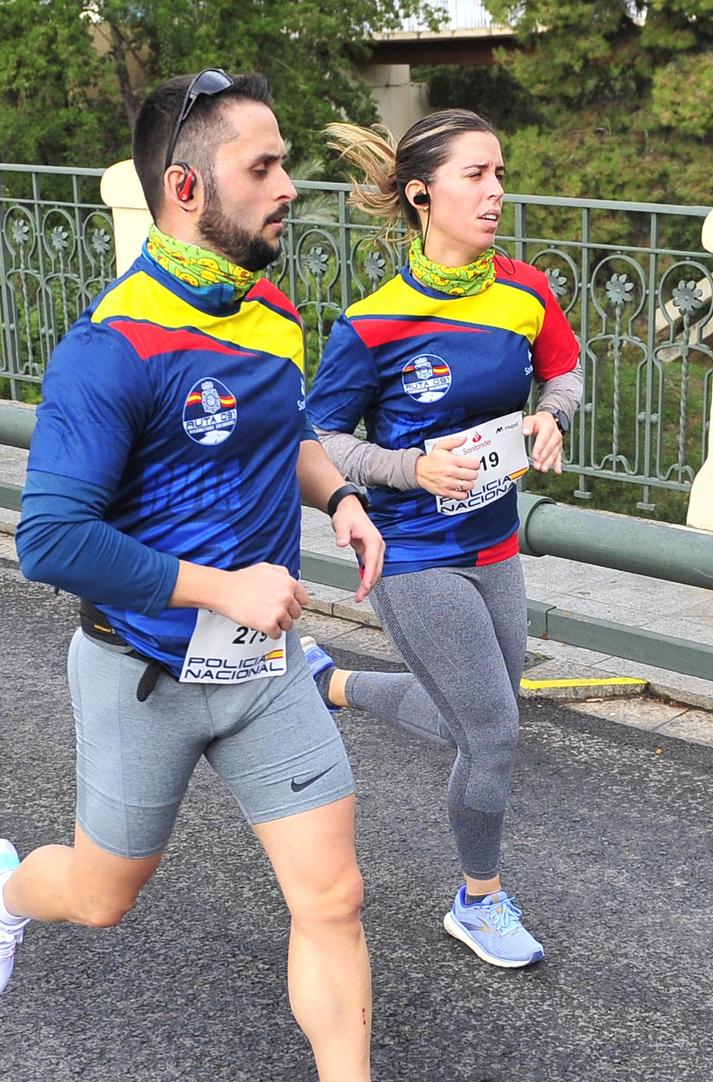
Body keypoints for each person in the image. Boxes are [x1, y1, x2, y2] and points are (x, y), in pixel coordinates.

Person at [0, 70, 484, 1082]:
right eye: (265, 168)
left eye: (285, 161)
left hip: (262, 674)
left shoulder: (268, 311)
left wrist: (336, 493)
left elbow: (277, 427)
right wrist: (219, 586)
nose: (290, 187)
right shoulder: (110, 348)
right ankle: (0, 891)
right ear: (186, 187)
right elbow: (47, 538)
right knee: (100, 897)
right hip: (141, 672)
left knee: (331, 893)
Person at [304, 110, 584, 969]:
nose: (497, 192)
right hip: (410, 551)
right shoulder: (376, 322)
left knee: (483, 716)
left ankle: (335, 683)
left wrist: (550, 415)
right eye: (477, 175)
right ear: (423, 193)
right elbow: (314, 434)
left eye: (500, 173)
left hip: (496, 541)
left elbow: (566, 367)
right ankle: (479, 898)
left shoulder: (525, 291)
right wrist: (406, 469)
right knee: (494, 733)